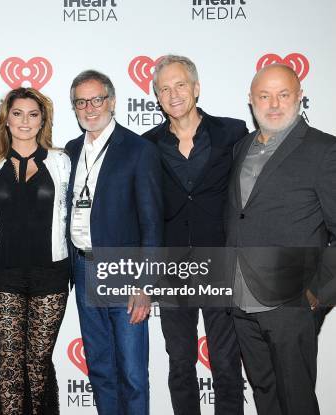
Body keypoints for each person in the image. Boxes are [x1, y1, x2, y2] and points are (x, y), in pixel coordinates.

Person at [227, 64, 336, 415]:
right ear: (250, 100)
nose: (273, 104)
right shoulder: (241, 147)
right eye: (264, 95)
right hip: (242, 299)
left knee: (297, 401)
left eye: (283, 94)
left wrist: (318, 294)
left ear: (300, 96)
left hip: (291, 304)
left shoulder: (324, 150)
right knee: (264, 396)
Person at [143, 55, 246, 415]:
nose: (173, 94)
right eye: (164, 88)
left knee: (227, 362)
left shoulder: (233, 134)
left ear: (197, 88)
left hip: (221, 263)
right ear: (156, 96)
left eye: (180, 84)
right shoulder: (147, 145)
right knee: (181, 364)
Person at [65, 70, 163, 415]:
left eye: (97, 99)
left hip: (125, 271)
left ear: (113, 101)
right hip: (82, 267)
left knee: (133, 373)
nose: (90, 108)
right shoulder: (72, 150)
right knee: (101, 368)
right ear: (74, 107)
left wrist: (145, 282)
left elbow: (152, 224)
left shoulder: (139, 150)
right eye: (81, 101)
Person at [0, 88, 70, 414]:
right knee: (9, 362)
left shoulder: (61, 162)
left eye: (33, 114)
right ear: (6, 119)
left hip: (51, 273)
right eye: (17, 113)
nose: (24, 121)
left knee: (37, 363)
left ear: (42, 120)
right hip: (4, 272)